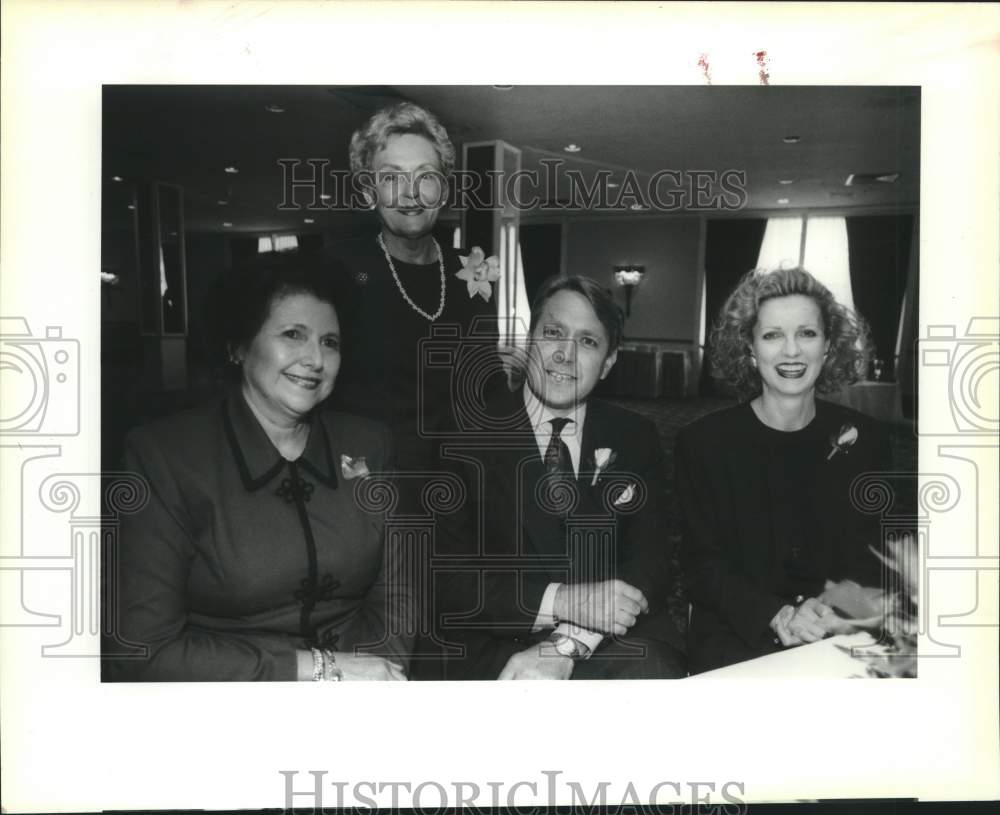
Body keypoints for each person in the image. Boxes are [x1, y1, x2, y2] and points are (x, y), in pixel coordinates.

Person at [103, 256, 412, 681]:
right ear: (238, 346)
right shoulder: (163, 456)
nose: (315, 359)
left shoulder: (370, 444)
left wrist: (378, 673)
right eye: (293, 335)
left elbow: (399, 597)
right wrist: (319, 670)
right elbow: (140, 649)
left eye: (330, 342)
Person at [435, 275, 686, 680]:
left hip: (606, 641)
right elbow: (448, 580)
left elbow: (652, 563)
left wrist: (568, 642)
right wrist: (564, 602)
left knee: (652, 672)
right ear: (529, 340)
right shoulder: (464, 434)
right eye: (554, 332)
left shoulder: (635, 435)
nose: (564, 355)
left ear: (608, 363)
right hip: (500, 639)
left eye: (588, 341)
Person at [676, 267, 890, 674]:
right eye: (773, 335)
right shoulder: (702, 443)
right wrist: (774, 614)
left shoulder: (869, 440)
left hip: (838, 627)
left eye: (807, 333)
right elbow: (702, 565)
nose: (791, 351)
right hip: (739, 628)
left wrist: (834, 610)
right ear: (751, 349)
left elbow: (876, 556)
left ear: (828, 346)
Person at [327, 101, 506, 471]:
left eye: (425, 176)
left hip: (464, 484)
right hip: (369, 483)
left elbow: (490, 387)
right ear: (367, 191)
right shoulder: (337, 269)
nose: (410, 193)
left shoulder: (473, 269)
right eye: (391, 177)